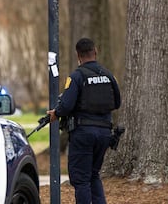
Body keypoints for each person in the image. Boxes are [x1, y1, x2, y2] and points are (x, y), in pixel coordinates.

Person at [47, 37, 121, 204]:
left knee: (81, 180)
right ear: (95, 52)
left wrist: (55, 113)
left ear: (78, 56)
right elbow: (117, 102)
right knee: (94, 175)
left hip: (83, 134)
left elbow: (65, 105)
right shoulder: (109, 76)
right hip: (104, 134)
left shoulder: (76, 77)